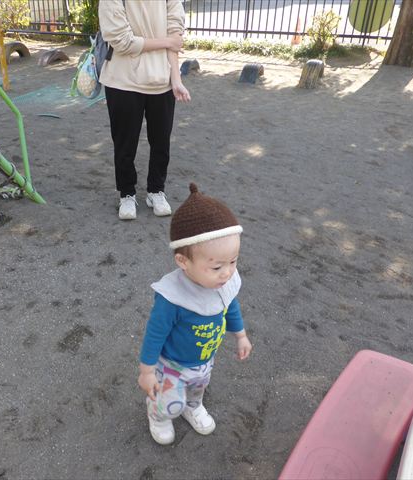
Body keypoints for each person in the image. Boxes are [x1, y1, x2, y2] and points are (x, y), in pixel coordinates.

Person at [138, 183, 253, 445]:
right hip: (172, 365)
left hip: (204, 360)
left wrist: (241, 335)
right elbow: (155, 334)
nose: (227, 273)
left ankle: (193, 406)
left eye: (233, 261)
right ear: (183, 261)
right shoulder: (173, 298)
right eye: (217, 267)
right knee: (168, 401)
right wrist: (146, 371)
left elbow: (230, 306)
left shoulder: (222, 284)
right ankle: (158, 415)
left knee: (198, 388)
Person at [98, 0, 191, 221]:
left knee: (161, 142)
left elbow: (175, 35)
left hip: (162, 81)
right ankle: (126, 193)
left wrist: (176, 79)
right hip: (123, 81)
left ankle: (156, 190)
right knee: (124, 144)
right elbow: (122, 41)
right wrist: (167, 41)